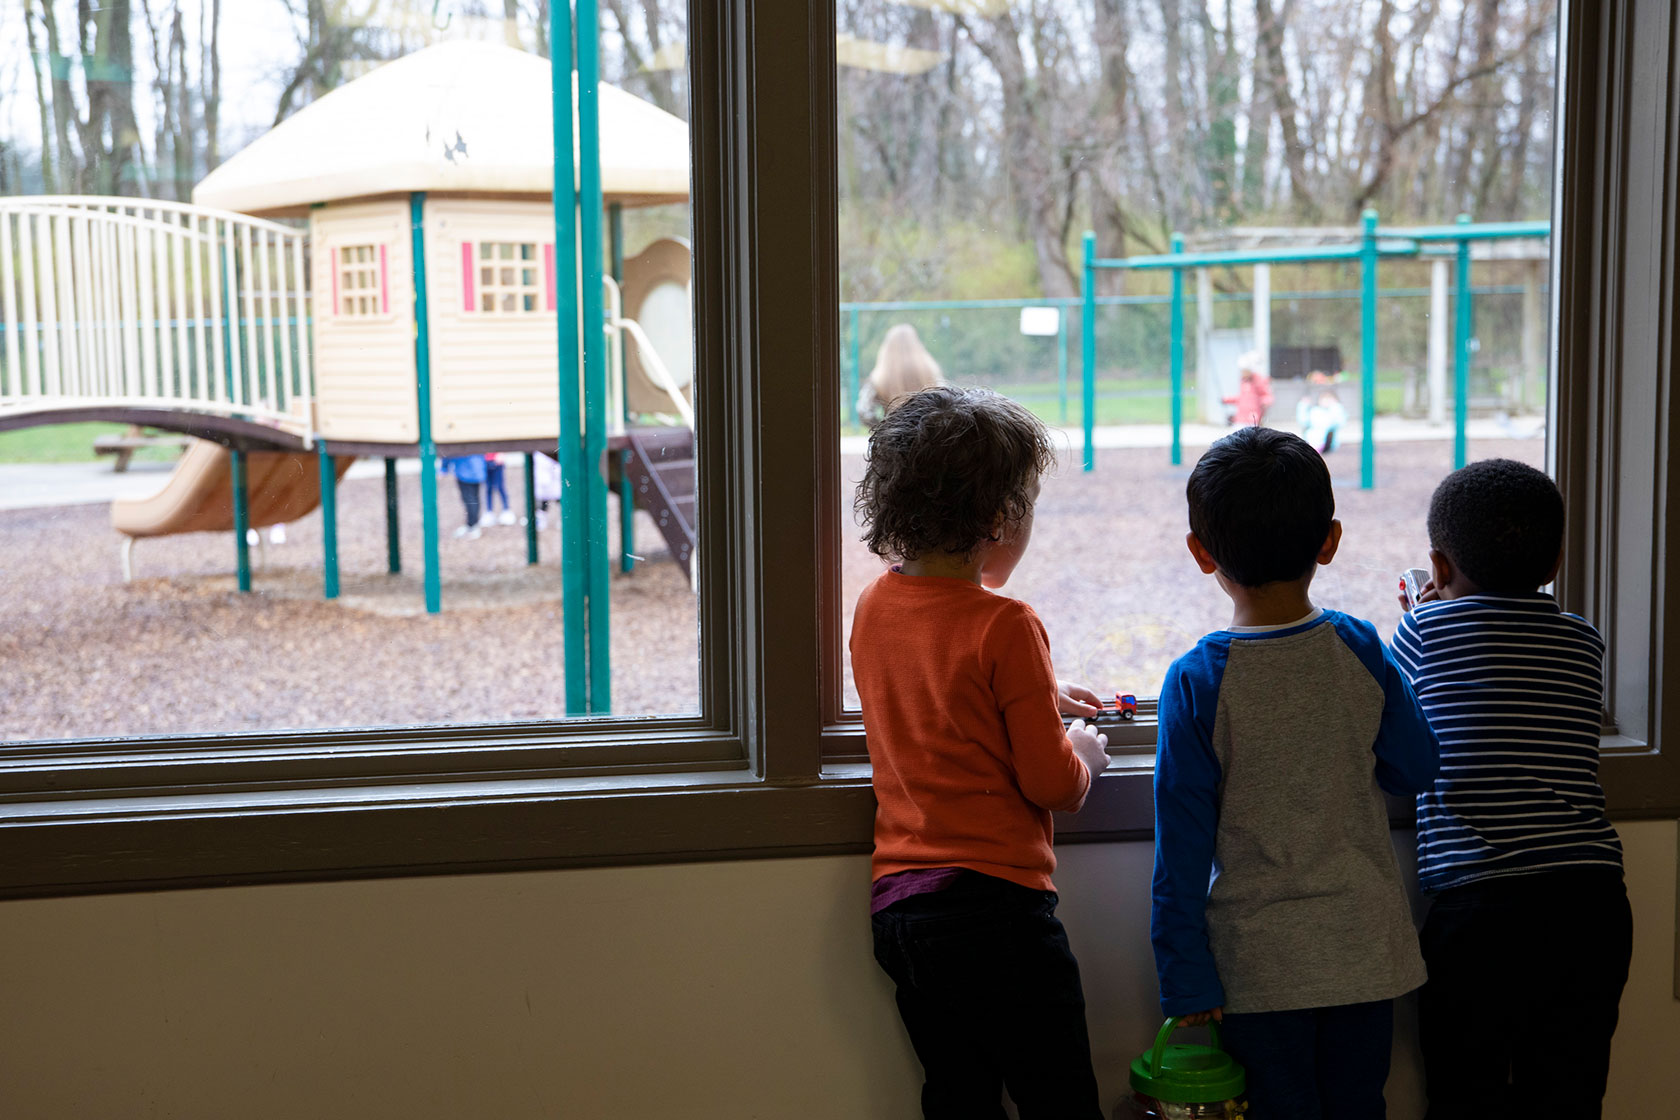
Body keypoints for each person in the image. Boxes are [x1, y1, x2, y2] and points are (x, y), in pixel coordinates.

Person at [1152, 426, 1440, 1120]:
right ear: (1329, 541)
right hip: (1364, 954)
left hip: (1259, 967)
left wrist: (1185, 978)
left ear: (1200, 552)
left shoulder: (1197, 681)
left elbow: (1181, 854)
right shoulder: (1358, 644)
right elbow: (1415, 767)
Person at [850, 385, 1111, 1119]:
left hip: (901, 912)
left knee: (958, 1098)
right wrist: (1082, 750)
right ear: (1001, 518)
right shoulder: (1008, 625)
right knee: (1059, 1099)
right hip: (995, 917)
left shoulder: (876, 604)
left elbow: (934, 691)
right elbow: (1052, 783)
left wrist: (1036, 693)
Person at [1393, 459, 1629, 1120]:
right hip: (1592, 903)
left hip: (1479, 908)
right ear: (1556, 558)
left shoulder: (1421, 632)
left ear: (1437, 567)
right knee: (1569, 1094)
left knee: (1466, 1093)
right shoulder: (1585, 640)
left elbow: (1402, 711)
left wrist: (1425, 609)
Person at [856, 323, 945, 428]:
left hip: (894, 437)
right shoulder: (930, 371)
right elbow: (947, 400)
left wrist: (881, 428)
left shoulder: (879, 377)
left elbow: (864, 410)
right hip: (927, 434)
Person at [440, 454, 487, 539]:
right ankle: (472, 524)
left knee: (470, 499)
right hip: (477, 470)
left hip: (465, 471)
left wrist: (444, 468)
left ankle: (473, 526)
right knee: (474, 498)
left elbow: (450, 452)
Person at [1228, 351, 1273, 427]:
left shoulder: (1258, 380)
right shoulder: (1243, 382)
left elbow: (1267, 396)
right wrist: (1227, 400)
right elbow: (1242, 398)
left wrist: (1263, 402)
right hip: (1240, 418)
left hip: (1253, 417)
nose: (1242, 373)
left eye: (1244, 371)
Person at [1297, 387, 1347, 453]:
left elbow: (1339, 422)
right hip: (1311, 439)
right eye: (1324, 398)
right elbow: (1304, 421)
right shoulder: (1314, 411)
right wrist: (1303, 406)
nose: (1326, 400)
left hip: (1327, 442)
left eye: (1329, 399)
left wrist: (1336, 406)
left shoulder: (1333, 413)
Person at [483, 451, 514, 525]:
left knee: (500, 487)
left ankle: (506, 510)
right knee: (488, 488)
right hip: (485, 461)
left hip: (497, 461)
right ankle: (489, 511)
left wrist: (501, 454)